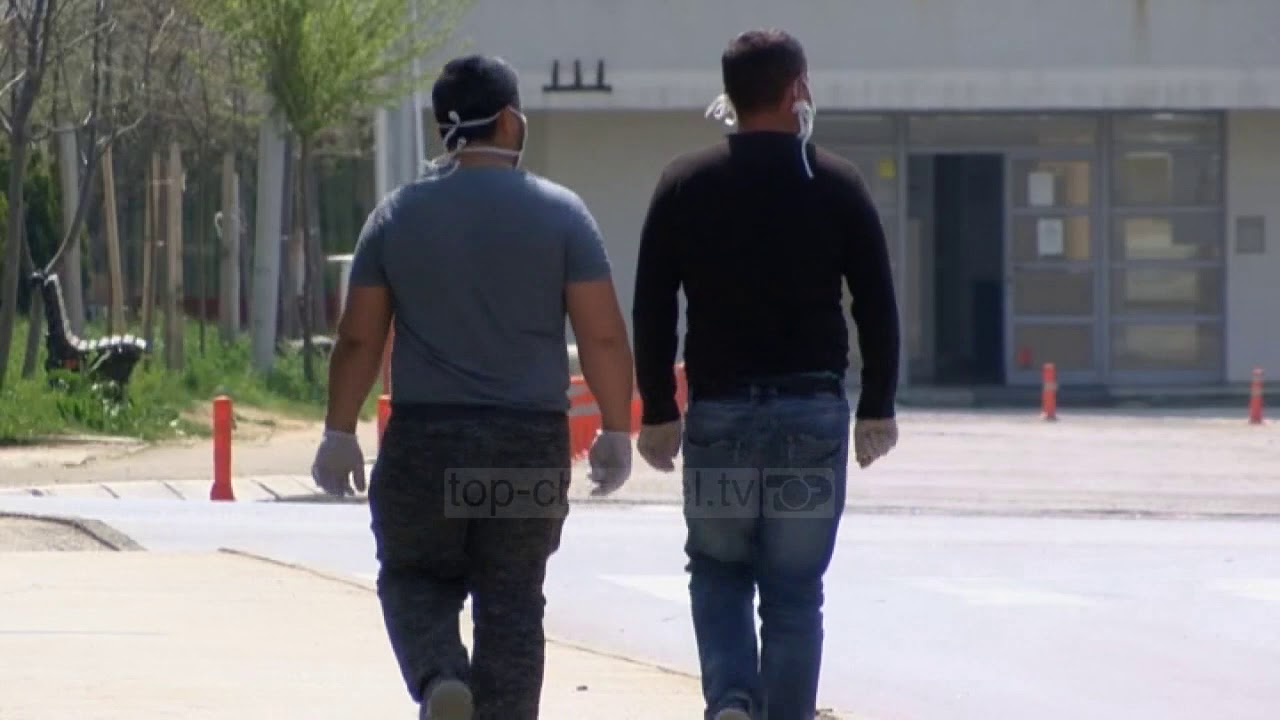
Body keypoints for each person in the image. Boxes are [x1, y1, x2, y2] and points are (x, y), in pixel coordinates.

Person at [309, 55, 635, 720]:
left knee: (414, 576)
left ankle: (439, 676)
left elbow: (359, 339)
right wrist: (614, 428)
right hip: (527, 446)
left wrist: (338, 432)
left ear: (443, 129)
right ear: (510, 121)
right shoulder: (563, 215)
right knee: (513, 602)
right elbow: (603, 336)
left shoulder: (396, 216)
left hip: (427, 441)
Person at [631, 29, 901, 720]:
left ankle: (731, 699)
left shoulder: (686, 182)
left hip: (719, 414)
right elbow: (875, 299)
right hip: (811, 414)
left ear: (730, 95)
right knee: (794, 591)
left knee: (719, 571)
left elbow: (653, 301)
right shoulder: (835, 182)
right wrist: (877, 405)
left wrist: (658, 408)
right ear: (797, 89)